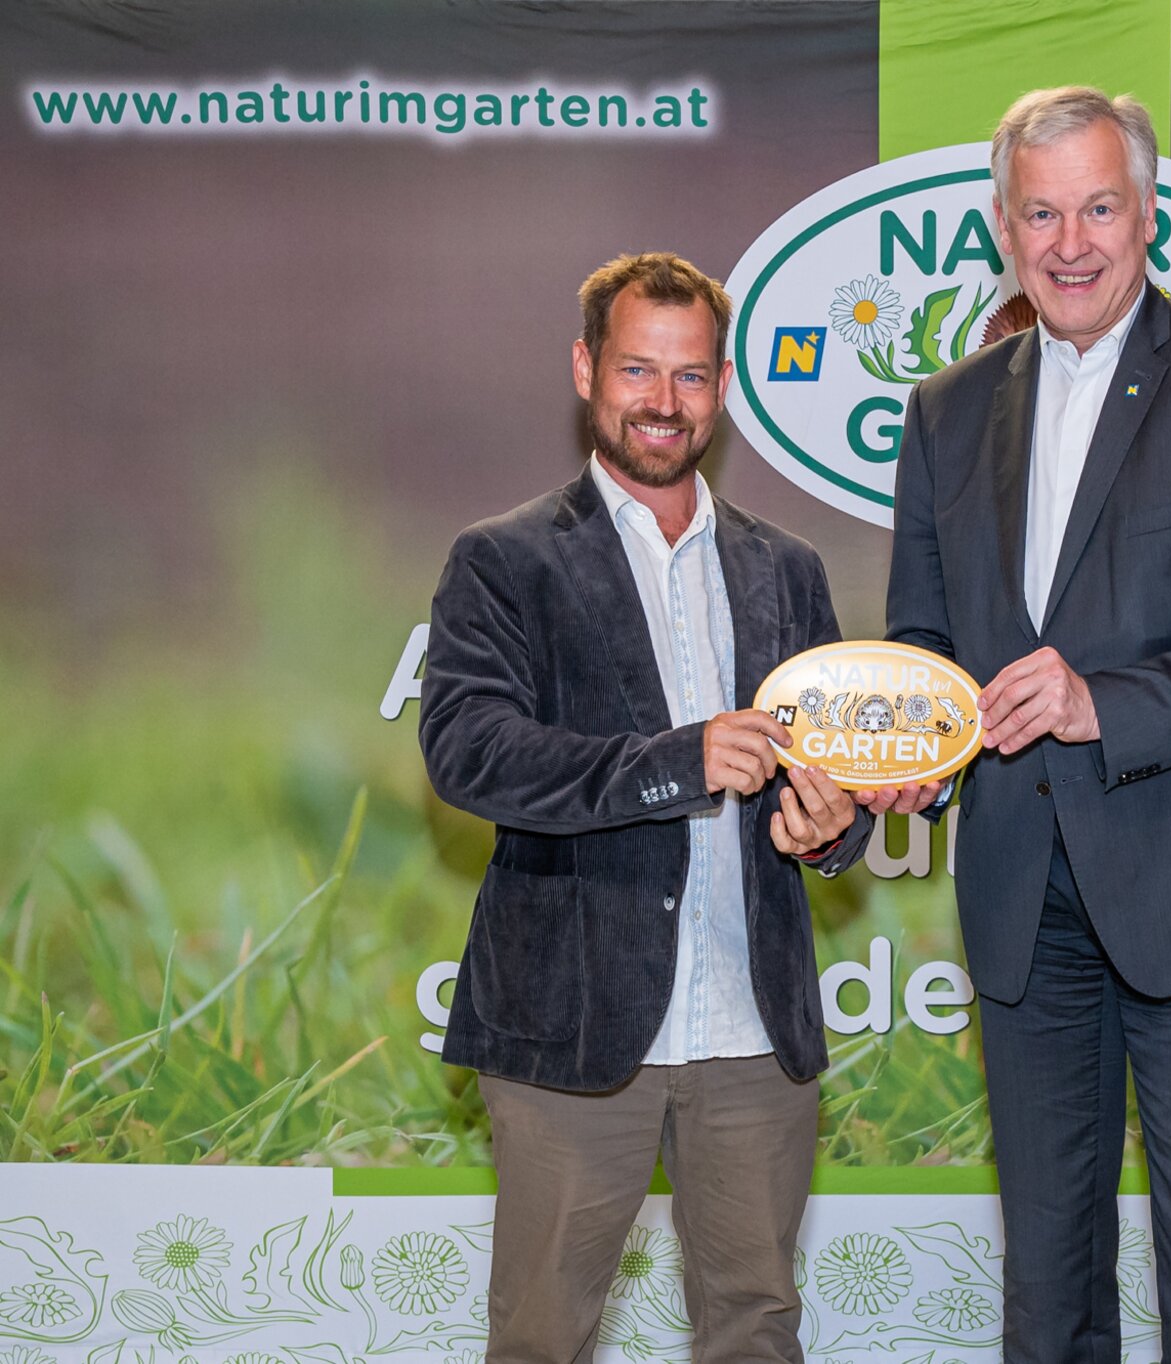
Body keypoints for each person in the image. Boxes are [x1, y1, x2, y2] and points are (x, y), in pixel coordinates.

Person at [867, 86, 1171, 1362]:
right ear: (1001, 227)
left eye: (1096, 207)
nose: (1068, 241)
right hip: (1025, 897)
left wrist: (1101, 704)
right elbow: (922, 636)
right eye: (1040, 212)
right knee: (1046, 1279)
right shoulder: (946, 411)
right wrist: (912, 744)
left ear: (1146, 217)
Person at [420, 252, 871, 1364]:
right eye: (636, 369)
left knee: (757, 1329)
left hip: (751, 1033)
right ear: (585, 371)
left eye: (690, 375)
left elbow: (832, 781)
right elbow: (467, 750)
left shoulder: (788, 568)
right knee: (541, 1333)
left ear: (722, 386)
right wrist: (678, 760)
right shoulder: (503, 560)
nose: (662, 402)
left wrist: (831, 828)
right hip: (571, 1029)